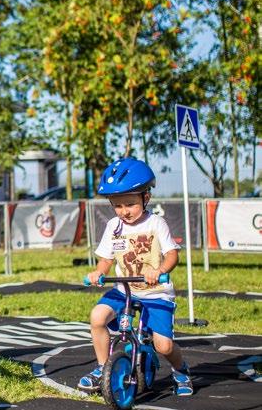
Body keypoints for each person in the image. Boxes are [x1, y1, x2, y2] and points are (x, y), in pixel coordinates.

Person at [78, 157, 192, 396]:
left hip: (156, 292)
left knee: (164, 345)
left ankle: (181, 370)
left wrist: (159, 271)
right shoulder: (113, 226)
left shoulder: (156, 223)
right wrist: (100, 272)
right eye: (117, 206)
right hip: (124, 290)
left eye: (130, 204)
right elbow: (107, 258)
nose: (124, 211)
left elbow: (172, 255)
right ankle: (102, 368)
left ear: (146, 198)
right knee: (97, 317)